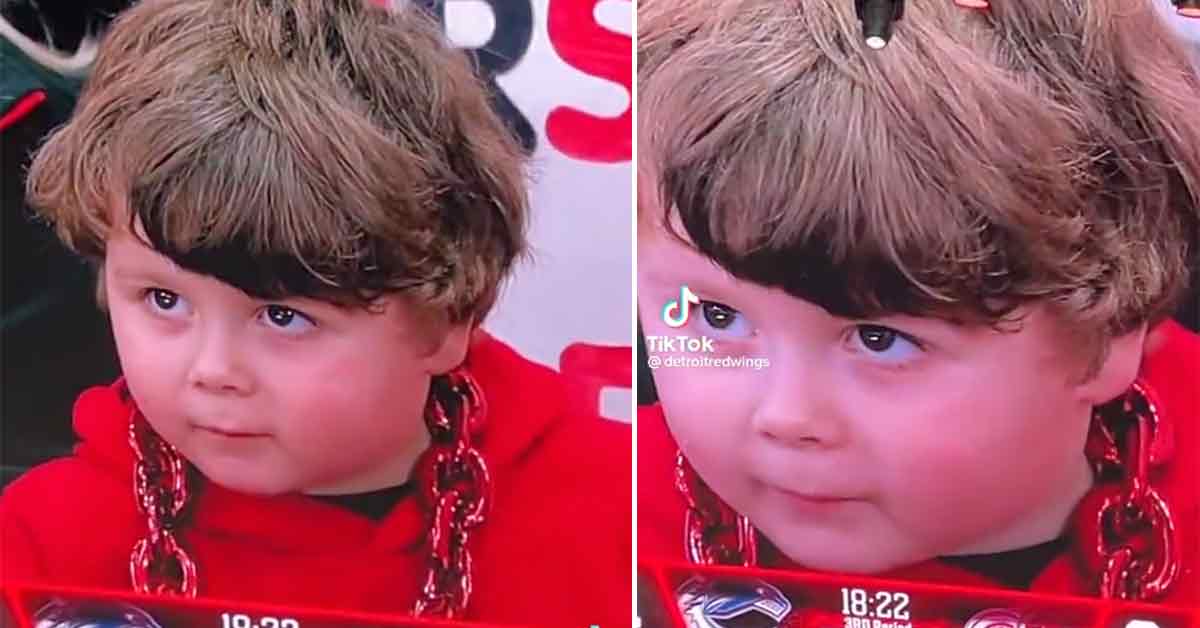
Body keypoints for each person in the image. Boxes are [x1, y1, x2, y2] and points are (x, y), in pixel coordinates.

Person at [0, 0, 631, 625]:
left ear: (445, 319)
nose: (212, 370)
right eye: (164, 300)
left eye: (282, 316)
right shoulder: (42, 546)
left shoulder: (618, 511)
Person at [636, 0, 1199, 607]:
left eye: (881, 339)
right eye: (717, 316)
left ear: (1107, 335)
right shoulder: (614, 516)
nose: (785, 417)